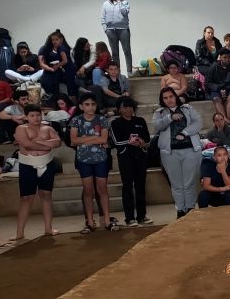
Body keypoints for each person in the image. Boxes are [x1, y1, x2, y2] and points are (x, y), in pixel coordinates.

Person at [13, 105, 62, 240]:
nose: (36, 118)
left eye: (38, 115)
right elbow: (27, 144)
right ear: (27, 117)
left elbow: (58, 142)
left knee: (46, 195)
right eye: (32, 115)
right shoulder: (21, 128)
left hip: (47, 163)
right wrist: (46, 143)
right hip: (28, 165)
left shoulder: (48, 128)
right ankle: (19, 232)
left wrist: (38, 141)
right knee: (26, 198)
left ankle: (48, 228)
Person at [70, 94, 116, 233]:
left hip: (100, 159)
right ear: (81, 106)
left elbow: (103, 139)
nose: (90, 107)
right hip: (84, 159)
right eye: (87, 104)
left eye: (93, 104)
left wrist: (84, 139)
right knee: (88, 190)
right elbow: (73, 140)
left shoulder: (102, 119)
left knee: (102, 189)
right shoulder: (76, 120)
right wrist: (94, 138)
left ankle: (107, 220)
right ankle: (90, 221)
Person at [154, 87, 203, 218]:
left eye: (171, 96)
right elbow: (157, 126)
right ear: (162, 100)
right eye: (165, 98)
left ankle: (190, 209)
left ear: (175, 96)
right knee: (176, 184)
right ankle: (180, 210)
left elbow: (198, 122)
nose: (169, 100)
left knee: (189, 182)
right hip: (170, 152)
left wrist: (184, 132)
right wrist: (170, 117)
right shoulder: (159, 112)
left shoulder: (187, 108)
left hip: (190, 150)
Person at [110, 97, 152, 227]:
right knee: (127, 186)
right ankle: (129, 218)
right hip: (125, 157)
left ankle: (141, 216)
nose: (128, 109)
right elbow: (116, 142)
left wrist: (141, 142)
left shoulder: (140, 121)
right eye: (124, 107)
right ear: (119, 109)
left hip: (140, 156)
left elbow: (148, 139)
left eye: (130, 106)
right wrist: (129, 142)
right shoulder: (115, 123)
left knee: (141, 186)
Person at [101, 0, 132, 73]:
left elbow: (125, 13)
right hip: (111, 30)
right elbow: (102, 17)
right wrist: (105, 29)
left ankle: (129, 72)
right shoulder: (105, 4)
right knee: (114, 53)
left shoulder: (124, 1)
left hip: (123, 29)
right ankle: (116, 72)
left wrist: (119, 1)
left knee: (127, 51)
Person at [38, 29, 75, 102]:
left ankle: (70, 103)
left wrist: (57, 66)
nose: (54, 41)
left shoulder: (61, 48)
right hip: (54, 71)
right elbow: (41, 63)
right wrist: (52, 68)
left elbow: (65, 61)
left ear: (61, 39)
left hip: (65, 71)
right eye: (53, 40)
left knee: (70, 89)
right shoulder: (45, 49)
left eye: (56, 39)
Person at [207, 48, 230, 121]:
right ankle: (226, 120)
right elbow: (208, 83)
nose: (227, 59)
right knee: (216, 99)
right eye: (225, 57)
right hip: (216, 89)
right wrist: (219, 89)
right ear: (220, 57)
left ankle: (226, 121)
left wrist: (226, 89)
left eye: (229, 57)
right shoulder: (213, 67)